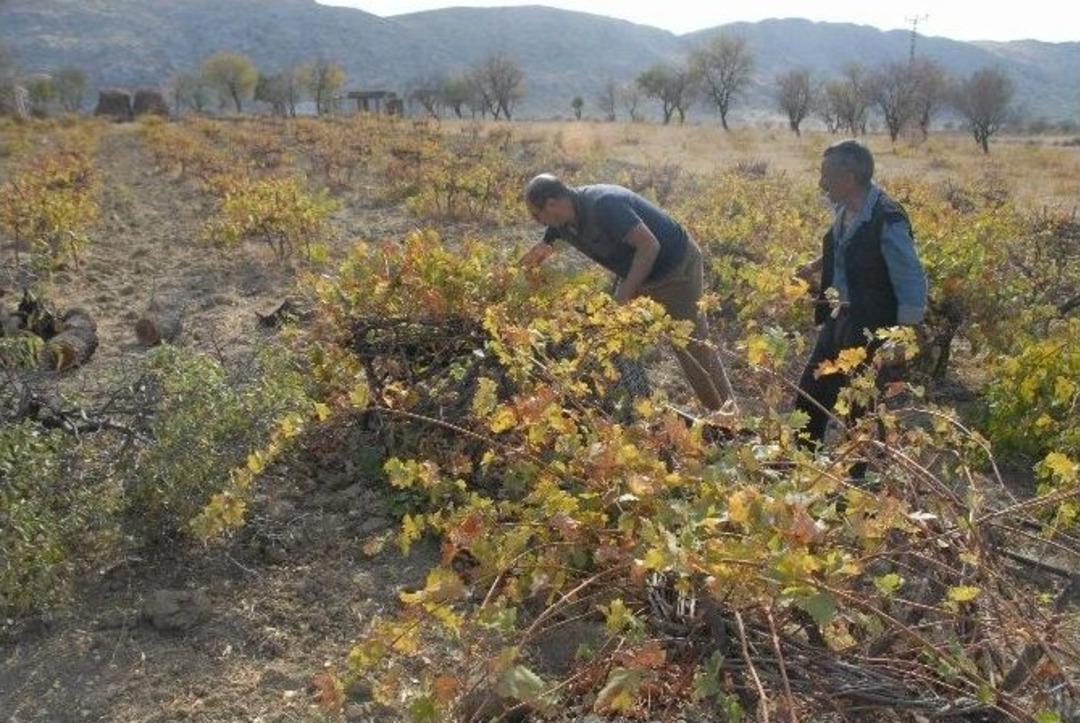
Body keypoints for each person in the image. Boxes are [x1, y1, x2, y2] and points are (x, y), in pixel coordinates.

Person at [520, 173, 737, 415]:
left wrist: (623, 295)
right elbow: (542, 249)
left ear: (551, 204)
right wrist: (516, 275)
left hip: (675, 270)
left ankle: (728, 418)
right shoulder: (561, 222)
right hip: (638, 269)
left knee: (691, 347)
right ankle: (632, 409)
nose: (537, 221)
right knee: (609, 335)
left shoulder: (604, 204)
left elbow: (649, 245)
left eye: (536, 215)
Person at [794, 140, 928, 452]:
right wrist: (815, 266)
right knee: (811, 393)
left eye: (826, 176)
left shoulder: (888, 217)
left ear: (849, 178)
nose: (821, 183)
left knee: (862, 407)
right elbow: (843, 249)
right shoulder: (845, 209)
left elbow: (910, 276)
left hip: (871, 325)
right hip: (840, 315)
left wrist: (904, 333)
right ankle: (800, 463)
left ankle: (862, 478)